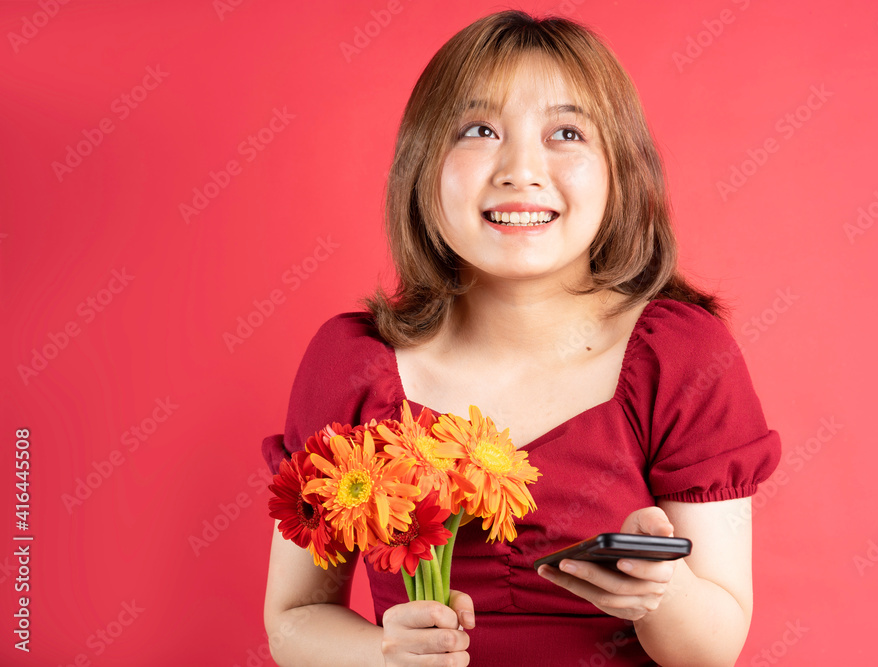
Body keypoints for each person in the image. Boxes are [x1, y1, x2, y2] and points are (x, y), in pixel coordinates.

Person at [261, 10, 780, 666]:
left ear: (621, 170)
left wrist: (663, 589)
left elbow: (713, 648)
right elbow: (294, 617)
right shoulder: (350, 365)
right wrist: (384, 654)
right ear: (421, 164)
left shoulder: (683, 356)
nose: (520, 169)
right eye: (479, 130)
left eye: (566, 132)